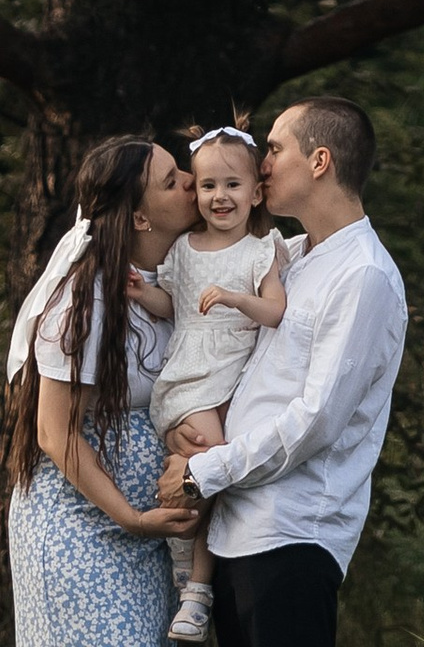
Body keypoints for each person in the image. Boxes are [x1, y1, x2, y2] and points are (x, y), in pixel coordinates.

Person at [155, 99, 406, 647]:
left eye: (273, 148)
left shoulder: (363, 276)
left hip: (292, 538)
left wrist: (204, 472)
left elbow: (317, 418)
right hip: (233, 534)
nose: (261, 163)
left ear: (319, 161)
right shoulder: (286, 256)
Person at [5, 134, 202, 647]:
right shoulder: (87, 295)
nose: (190, 182)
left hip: (146, 540)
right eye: (171, 180)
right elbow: (54, 432)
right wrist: (132, 517)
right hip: (82, 528)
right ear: (140, 218)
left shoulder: (168, 284)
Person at [142, 124, 292, 642]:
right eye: (207, 186)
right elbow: (175, 307)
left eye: (232, 185)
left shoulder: (261, 248)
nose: (219, 197)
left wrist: (234, 298)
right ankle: (196, 590)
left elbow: (274, 311)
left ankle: (190, 573)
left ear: (255, 192)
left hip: (239, 380)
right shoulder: (183, 247)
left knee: (216, 471)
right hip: (194, 379)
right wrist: (140, 294)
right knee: (211, 461)